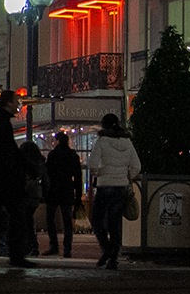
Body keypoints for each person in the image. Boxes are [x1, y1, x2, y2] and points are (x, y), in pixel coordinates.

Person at [0, 90, 33, 267]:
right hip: (5, 179)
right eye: (16, 101)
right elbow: (9, 151)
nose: (18, 105)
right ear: (8, 103)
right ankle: (15, 255)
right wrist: (25, 167)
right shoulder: (2, 123)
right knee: (15, 217)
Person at [87, 112, 142, 271]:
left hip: (105, 187)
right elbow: (137, 166)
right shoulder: (128, 142)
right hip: (121, 188)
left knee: (97, 221)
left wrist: (101, 173)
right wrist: (126, 176)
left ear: (104, 125)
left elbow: (92, 165)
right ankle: (113, 257)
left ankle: (107, 249)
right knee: (114, 223)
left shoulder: (102, 141)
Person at [44, 131, 82, 258]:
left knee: (50, 219)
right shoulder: (73, 155)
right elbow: (78, 178)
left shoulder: (53, 155)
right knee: (67, 222)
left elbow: (47, 174)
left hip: (54, 190)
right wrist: (78, 197)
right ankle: (67, 248)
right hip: (67, 189)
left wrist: (45, 191)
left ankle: (54, 245)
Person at [21, 140, 47, 257]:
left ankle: (29, 246)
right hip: (36, 194)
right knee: (28, 219)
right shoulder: (40, 163)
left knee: (25, 220)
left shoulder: (24, 163)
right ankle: (32, 246)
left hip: (25, 193)